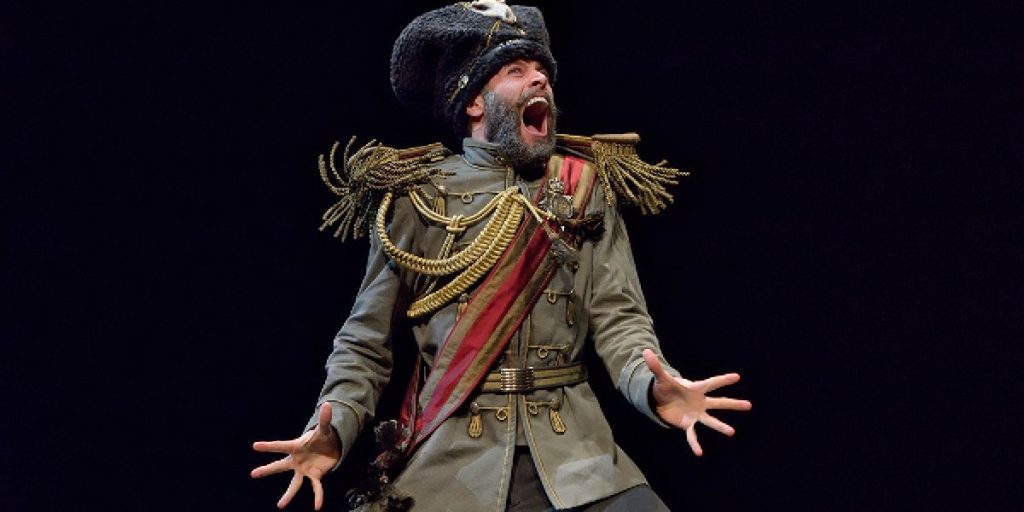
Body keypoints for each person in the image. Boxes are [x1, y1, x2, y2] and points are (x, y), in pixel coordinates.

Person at [251, 2, 751, 510]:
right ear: (473, 102)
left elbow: (619, 317)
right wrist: (332, 426)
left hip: (576, 452)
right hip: (452, 458)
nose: (540, 80)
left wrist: (651, 386)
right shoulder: (417, 196)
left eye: (542, 71)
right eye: (516, 71)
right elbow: (366, 340)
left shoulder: (582, 188)